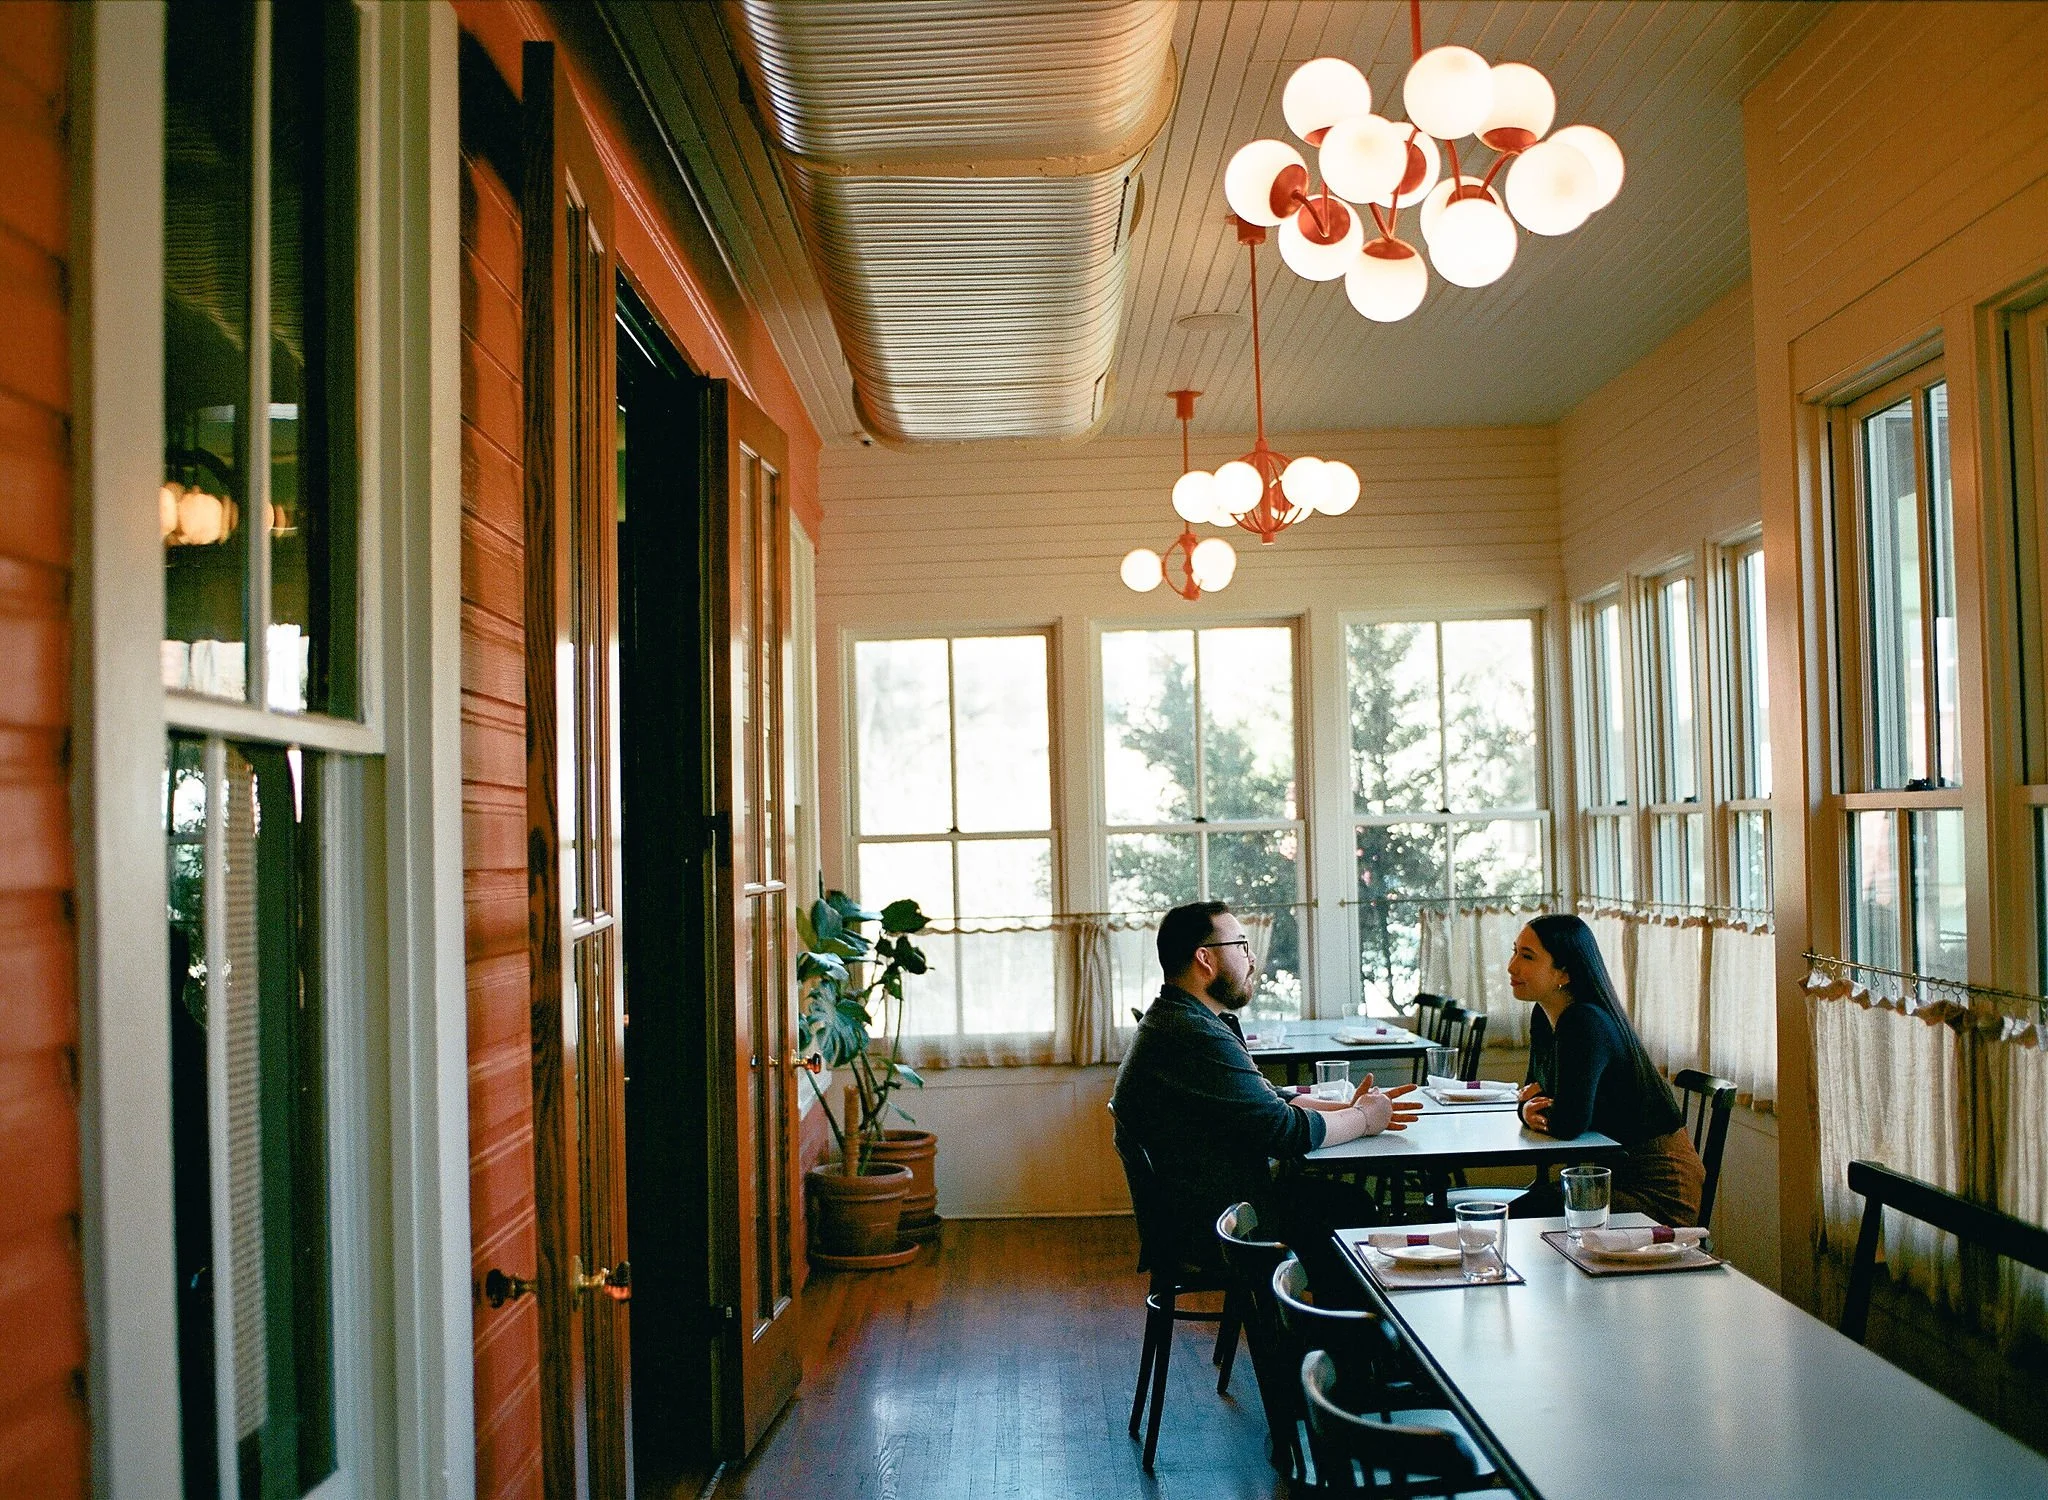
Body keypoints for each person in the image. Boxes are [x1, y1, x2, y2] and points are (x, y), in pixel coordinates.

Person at [1110, 900, 1420, 1261]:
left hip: (1209, 1209)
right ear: (1205, 960)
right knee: (1347, 1209)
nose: (1253, 958)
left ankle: (1320, 1317)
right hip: (1221, 1225)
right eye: (1241, 946)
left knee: (1340, 1202)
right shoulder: (1191, 1032)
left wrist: (1351, 1108)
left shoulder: (1182, 1018)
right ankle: (1332, 1319)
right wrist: (1364, 1120)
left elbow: (1271, 1098)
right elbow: (1284, 1131)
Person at [1507, 913, 1704, 1226]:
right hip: (1607, 1176)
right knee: (1528, 1211)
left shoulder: (1584, 1021)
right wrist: (1525, 1108)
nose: (1512, 966)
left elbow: (1569, 1122)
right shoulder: (1543, 1015)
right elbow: (1531, 1092)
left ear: (1564, 972)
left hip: (1658, 1190)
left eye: (1527, 956)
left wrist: (1530, 1107)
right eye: (1515, 951)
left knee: (1525, 1213)